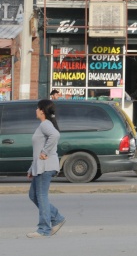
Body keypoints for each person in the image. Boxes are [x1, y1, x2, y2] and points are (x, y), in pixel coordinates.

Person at [27, 99, 66, 238]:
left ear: (42, 111)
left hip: (46, 166)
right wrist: (32, 168)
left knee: (41, 196)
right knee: (33, 195)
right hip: (40, 167)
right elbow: (37, 150)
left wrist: (45, 152)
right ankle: (57, 218)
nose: (36, 111)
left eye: (37, 108)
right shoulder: (44, 125)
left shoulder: (45, 125)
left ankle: (43, 229)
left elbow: (55, 135)